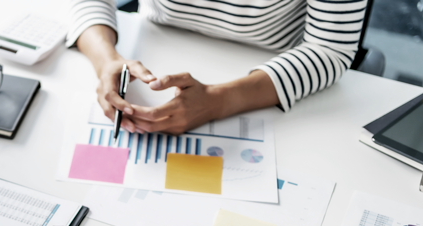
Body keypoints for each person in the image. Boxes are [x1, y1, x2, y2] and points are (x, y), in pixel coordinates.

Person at [68, 0, 367, 134]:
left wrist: (219, 101)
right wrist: (106, 60)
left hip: (270, 71)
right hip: (156, 43)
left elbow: (331, 48)